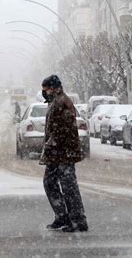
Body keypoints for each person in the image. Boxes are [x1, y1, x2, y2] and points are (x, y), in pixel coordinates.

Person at [40, 74, 88, 233]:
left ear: (53, 88)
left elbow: (63, 129)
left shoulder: (62, 102)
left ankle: (77, 219)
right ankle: (63, 215)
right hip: (57, 153)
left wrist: (53, 143)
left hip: (63, 153)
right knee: (50, 183)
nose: (44, 92)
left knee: (69, 187)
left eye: (45, 89)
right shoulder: (56, 101)